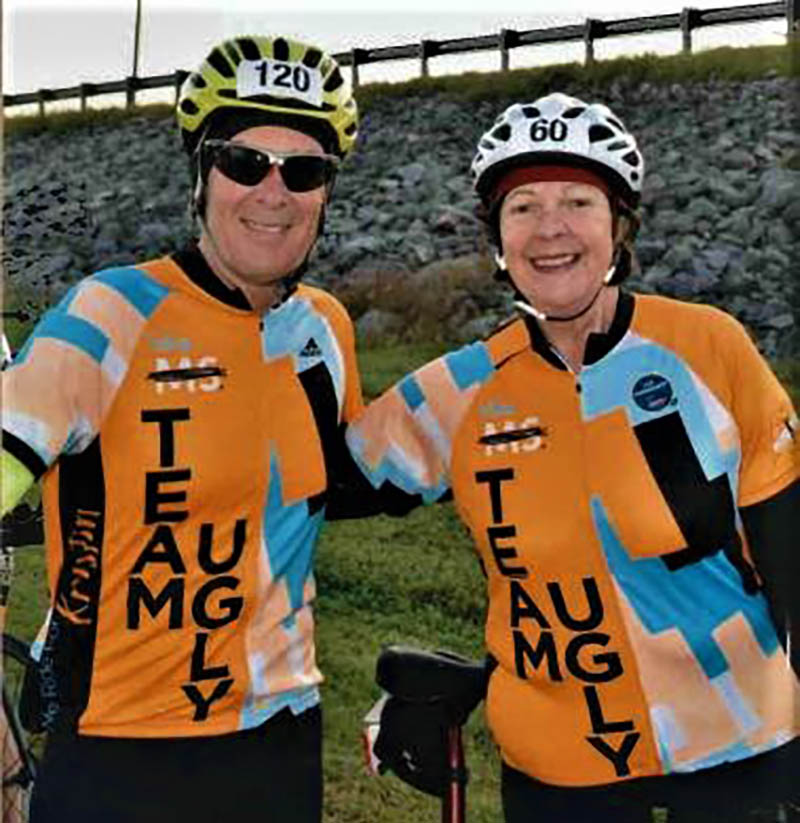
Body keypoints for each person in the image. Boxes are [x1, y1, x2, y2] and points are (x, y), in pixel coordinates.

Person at [346, 92, 799, 822]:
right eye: (522, 205)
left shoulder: (709, 346)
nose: (550, 227)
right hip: (559, 764)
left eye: (578, 200)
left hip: (741, 746)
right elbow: (309, 482)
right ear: (496, 236)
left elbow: (789, 552)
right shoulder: (459, 388)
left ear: (619, 224)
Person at [1, 34, 362, 823]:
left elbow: (357, 473)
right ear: (201, 176)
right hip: (119, 748)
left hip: (281, 737)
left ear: (325, 194)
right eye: (244, 162)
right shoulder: (112, 311)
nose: (273, 191)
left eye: (303, 171)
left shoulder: (326, 329)